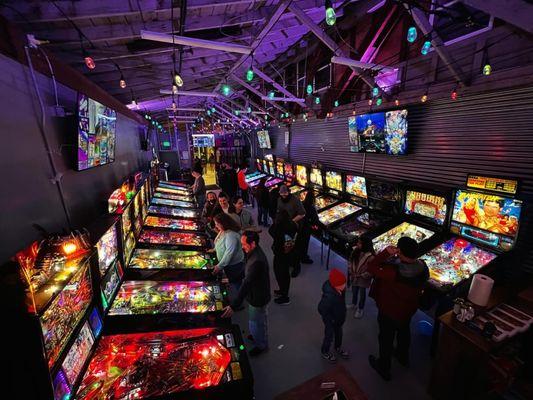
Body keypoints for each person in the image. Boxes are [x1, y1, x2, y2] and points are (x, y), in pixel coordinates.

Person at [367, 237, 429, 381]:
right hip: (408, 309)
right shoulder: (423, 267)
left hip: (389, 310)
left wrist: (385, 253)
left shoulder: (392, 272)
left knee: (385, 339)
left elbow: (371, 267)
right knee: (404, 332)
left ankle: (384, 368)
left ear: (399, 251)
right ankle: (402, 357)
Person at [221, 231, 271, 356]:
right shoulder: (252, 253)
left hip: (258, 297)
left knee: (257, 322)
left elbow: (246, 283)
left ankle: (261, 345)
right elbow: (245, 270)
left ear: (252, 243)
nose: (242, 246)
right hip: (255, 294)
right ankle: (257, 336)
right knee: (257, 320)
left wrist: (234, 305)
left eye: (244, 244)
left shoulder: (257, 260)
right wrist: (232, 279)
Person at [212, 213, 245, 307]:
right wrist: (214, 249)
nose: (216, 226)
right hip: (228, 265)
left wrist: (219, 266)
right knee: (234, 282)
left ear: (224, 223)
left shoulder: (231, 235)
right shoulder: (223, 231)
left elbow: (229, 253)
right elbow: (219, 242)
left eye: (217, 224)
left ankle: (239, 303)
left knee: (236, 284)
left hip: (234, 265)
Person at [318, 268, 350, 363]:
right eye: (342, 284)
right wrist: (330, 319)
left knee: (339, 333)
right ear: (335, 285)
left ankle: (337, 347)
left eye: (344, 283)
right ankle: (325, 351)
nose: (345, 286)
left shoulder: (341, 289)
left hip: (339, 318)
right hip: (331, 320)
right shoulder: (329, 297)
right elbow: (321, 308)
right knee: (329, 335)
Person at [269, 210, 298, 305]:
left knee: (280, 274)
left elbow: (270, 231)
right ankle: (283, 291)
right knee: (285, 274)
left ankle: (285, 297)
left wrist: (275, 223)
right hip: (289, 252)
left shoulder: (278, 228)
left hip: (280, 254)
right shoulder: (293, 225)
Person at [277, 185, 306, 277]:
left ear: (289, 193)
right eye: (282, 195)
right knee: (287, 246)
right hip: (284, 227)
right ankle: (290, 262)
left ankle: (297, 267)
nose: (284, 196)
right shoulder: (279, 199)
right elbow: (279, 211)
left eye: (285, 195)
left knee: (295, 248)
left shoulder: (295, 200)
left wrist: (291, 221)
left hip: (294, 227)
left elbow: (302, 213)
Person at [349, 236, 375, 319]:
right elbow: (350, 261)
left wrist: (362, 275)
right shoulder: (355, 251)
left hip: (363, 279)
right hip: (354, 276)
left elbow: (371, 270)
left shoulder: (371, 257)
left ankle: (360, 308)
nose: (357, 244)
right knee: (354, 291)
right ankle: (353, 303)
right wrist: (351, 270)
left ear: (365, 245)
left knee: (362, 294)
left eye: (360, 243)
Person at [298, 189, 319, 264]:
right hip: (306, 227)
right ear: (313, 199)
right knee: (305, 243)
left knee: (300, 242)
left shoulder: (302, 203)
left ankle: (300, 255)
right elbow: (315, 219)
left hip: (299, 226)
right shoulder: (311, 207)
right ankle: (304, 258)